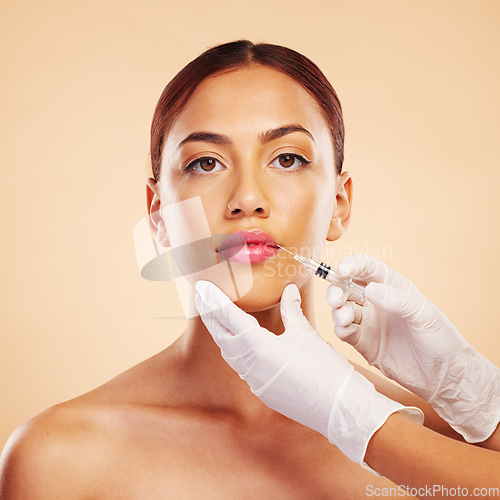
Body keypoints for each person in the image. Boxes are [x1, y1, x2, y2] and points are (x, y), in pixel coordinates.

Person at [0, 40, 498, 498]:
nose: (247, 200)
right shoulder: (60, 461)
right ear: (159, 216)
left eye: (286, 158)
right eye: (206, 163)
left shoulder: (449, 437)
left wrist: (474, 396)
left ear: (339, 203)